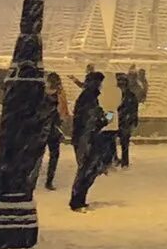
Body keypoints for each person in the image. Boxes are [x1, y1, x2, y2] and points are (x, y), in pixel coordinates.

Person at [69, 71, 108, 212]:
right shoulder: (89, 98)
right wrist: (106, 117)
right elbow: (93, 120)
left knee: (88, 169)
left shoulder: (88, 97)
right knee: (86, 169)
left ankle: (79, 199)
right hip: (86, 138)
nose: (101, 86)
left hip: (85, 137)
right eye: (99, 83)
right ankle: (77, 201)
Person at [37, 71, 70, 190]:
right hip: (54, 128)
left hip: (43, 127)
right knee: (54, 155)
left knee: (38, 155)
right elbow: (63, 110)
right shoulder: (60, 94)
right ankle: (49, 180)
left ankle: (33, 177)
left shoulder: (41, 94)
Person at [115, 70, 142, 169]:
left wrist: (106, 120)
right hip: (122, 121)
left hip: (121, 121)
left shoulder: (115, 95)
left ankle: (121, 162)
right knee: (122, 143)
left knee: (121, 143)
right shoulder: (129, 95)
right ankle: (121, 162)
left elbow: (109, 110)